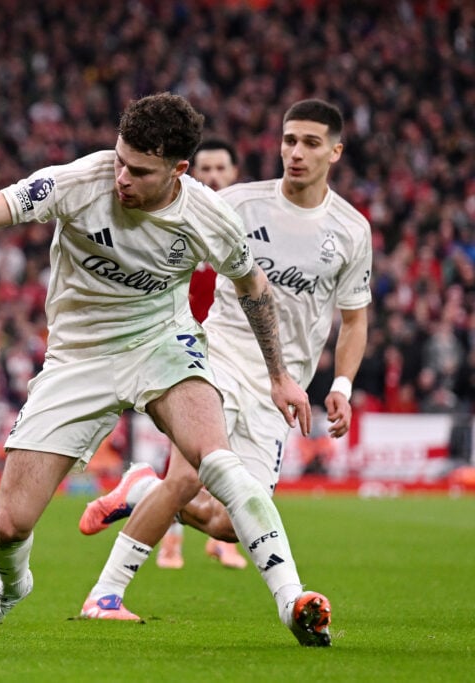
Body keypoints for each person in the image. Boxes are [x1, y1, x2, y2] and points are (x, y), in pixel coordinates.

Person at [0, 92, 329, 648]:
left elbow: (253, 286)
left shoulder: (208, 216)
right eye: (121, 159)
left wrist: (278, 376)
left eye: (140, 170)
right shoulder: (80, 181)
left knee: (216, 462)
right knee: (10, 526)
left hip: (162, 343)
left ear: (177, 170)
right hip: (77, 357)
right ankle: (10, 587)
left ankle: (292, 599)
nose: (121, 177)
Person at [77, 99, 370, 646]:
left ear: (336, 151)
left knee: (230, 522)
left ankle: (142, 488)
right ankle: (106, 595)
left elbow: (354, 320)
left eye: (310, 142)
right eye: (288, 139)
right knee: (191, 474)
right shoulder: (239, 203)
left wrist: (342, 386)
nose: (295, 152)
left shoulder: (352, 231)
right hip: (219, 356)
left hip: (281, 387)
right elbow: (168, 252)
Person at [153, 137, 248, 570]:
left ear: (234, 175)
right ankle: (171, 538)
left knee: (225, 446)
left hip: (228, 351)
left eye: (220, 169)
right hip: (182, 346)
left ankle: (221, 538)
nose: (212, 177)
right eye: (203, 169)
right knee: (184, 448)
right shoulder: (176, 223)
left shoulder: (243, 230)